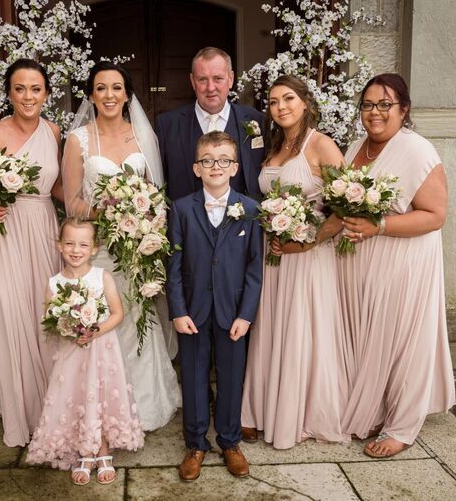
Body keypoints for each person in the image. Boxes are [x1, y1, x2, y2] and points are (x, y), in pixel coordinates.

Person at [337, 73, 455, 458]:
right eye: (368, 105)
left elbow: (435, 215)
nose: (375, 112)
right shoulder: (356, 146)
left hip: (402, 260)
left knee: (403, 339)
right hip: (362, 261)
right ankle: (372, 408)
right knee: (371, 338)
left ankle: (402, 426)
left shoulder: (417, 151)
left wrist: (380, 225)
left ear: (404, 110)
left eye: (384, 104)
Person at [61, 61, 181, 431]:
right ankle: (104, 409)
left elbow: (156, 194)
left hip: (137, 248)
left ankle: (144, 406)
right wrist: (110, 210)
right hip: (99, 249)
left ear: (127, 95)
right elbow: (72, 203)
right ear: (91, 95)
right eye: (101, 88)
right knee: (104, 323)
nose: (109, 95)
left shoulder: (143, 138)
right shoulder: (78, 140)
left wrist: (144, 224)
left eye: (117, 88)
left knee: (137, 320)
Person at [240, 76, 349, 449]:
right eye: (273, 102)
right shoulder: (273, 147)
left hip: (308, 259)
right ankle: (262, 409)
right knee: (272, 329)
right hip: (274, 257)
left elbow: (345, 207)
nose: (281, 106)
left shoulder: (322, 145)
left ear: (305, 103)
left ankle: (300, 413)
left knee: (302, 329)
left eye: (288, 98)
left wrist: (309, 241)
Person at [0, 59, 62, 448]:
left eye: (35, 89)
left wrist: (88, 208)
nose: (28, 97)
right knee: (14, 310)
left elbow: (53, 188)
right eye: (19, 89)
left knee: (46, 309)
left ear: (46, 94)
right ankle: (23, 407)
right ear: (8, 93)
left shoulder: (53, 131)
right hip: (7, 230)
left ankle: (54, 402)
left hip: (43, 227)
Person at [166, 131, 263, 481]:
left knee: (232, 376)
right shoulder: (181, 209)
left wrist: (246, 315)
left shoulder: (250, 209)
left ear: (235, 166)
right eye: (207, 160)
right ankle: (195, 444)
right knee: (192, 376)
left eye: (223, 160)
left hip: (233, 312)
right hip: (192, 311)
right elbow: (173, 266)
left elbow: (255, 268)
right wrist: (177, 310)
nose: (215, 166)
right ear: (196, 168)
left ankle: (230, 441)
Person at [26, 218, 144, 486]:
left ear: (93, 248)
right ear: (59, 246)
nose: (75, 250)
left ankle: (102, 450)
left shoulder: (101, 277)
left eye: (82, 244)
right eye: (69, 243)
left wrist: (95, 330)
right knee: (77, 397)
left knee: (100, 397)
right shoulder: (54, 283)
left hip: (101, 351)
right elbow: (50, 317)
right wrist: (67, 325)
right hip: (72, 354)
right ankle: (84, 451)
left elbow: (117, 314)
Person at [156, 47, 265, 201]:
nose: (210, 87)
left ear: (231, 78)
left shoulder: (256, 120)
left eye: (218, 78)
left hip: (244, 222)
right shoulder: (167, 125)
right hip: (186, 222)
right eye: (202, 79)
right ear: (193, 81)